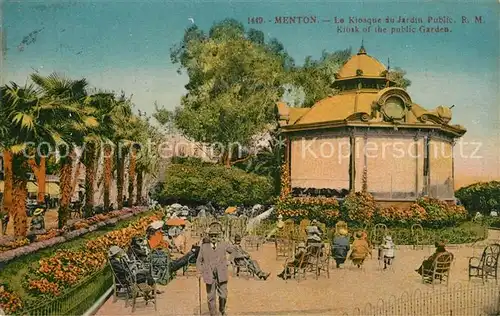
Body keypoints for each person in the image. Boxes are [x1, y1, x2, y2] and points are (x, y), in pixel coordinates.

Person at [196, 224, 236, 316]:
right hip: (209, 275)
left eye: (215, 235)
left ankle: (222, 310)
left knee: (223, 295)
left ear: (218, 236)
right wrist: (199, 271)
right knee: (211, 297)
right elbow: (199, 260)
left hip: (222, 274)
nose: (213, 237)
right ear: (209, 236)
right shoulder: (203, 247)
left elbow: (233, 251)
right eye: (211, 235)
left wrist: (229, 261)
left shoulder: (223, 245)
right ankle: (213, 314)